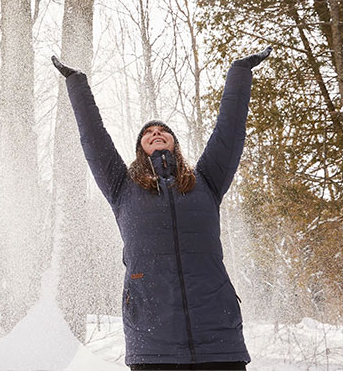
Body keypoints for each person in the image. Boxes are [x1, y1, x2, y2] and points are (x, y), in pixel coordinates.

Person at [52, 47, 272, 371]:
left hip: (218, 337)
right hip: (152, 341)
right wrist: (76, 82)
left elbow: (229, 133)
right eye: (148, 133)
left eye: (162, 131)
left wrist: (239, 71)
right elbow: (94, 141)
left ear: (174, 143)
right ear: (140, 147)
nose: (156, 133)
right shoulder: (123, 188)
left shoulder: (206, 181)